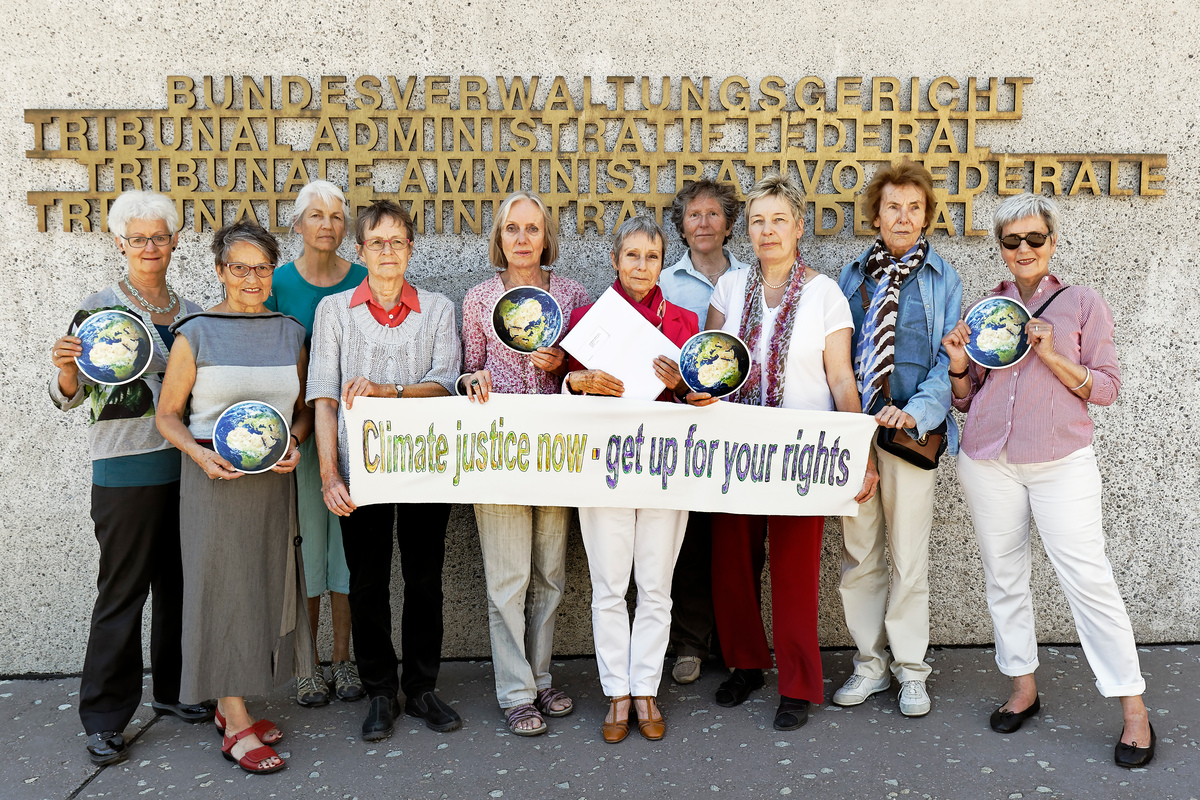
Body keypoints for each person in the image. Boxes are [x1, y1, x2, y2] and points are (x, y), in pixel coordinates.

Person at [942, 193, 1154, 768]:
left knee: (1088, 579)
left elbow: (1106, 388)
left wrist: (1054, 355)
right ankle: (1022, 687)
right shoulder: (990, 306)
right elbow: (968, 401)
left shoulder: (1083, 303)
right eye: (1012, 241)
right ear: (1002, 249)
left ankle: (1133, 709)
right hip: (989, 460)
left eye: (1035, 239)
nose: (1024, 249)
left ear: (1052, 243)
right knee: (1004, 578)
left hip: (1061, 462)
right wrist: (960, 364)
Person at [702, 175, 878, 731]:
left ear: (799, 227)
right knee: (731, 562)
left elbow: (842, 380)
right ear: (746, 229)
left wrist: (861, 454)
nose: (768, 230)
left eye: (779, 219)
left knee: (795, 569)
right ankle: (746, 664)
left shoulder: (825, 294)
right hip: (734, 447)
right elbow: (708, 365)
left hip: (804, 454)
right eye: (758, 220)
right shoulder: (729, 290)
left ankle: (798, 683)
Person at [49, 189, 207, 766]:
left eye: (158, 237)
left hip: (187, 469)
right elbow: (66, 400)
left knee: (179, 586)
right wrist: (66, 370)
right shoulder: (97, 309)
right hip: (124, 471)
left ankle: (173, 692)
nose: (149, 247)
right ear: (120, 243)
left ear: (173, 242)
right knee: (122, 592)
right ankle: (105, 716)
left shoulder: (193, 310)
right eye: (137, 238)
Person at [156, 220, 315, 775]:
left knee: (261, 587)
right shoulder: (194, 332)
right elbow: (167, 416)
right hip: (214, 482)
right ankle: (235, 717)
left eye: (262, 268)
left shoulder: (289, 331)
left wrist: (296, 441)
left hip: (272, 483)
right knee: (219, 588)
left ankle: (232, 703)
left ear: (274, 273)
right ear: (220, 271)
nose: (251, 278)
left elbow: (301, 410)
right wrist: (200, 458)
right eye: (239, 267)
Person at [308, 199, 463, 742]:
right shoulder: (334, 313)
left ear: (411, 249)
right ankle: (379, 692)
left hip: (425, 468)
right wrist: (330, 473)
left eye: (398, 241)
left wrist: (389, 391)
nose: (388, 251)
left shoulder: (439, 309)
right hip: (360, 471)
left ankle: (421, 687)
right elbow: (323, 399)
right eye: (378, 242)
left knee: (424, 582)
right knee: (368, 583)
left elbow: (446, 382)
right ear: (361, 251)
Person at [561, 216, 699, 743]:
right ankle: (616, 691)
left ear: (663, 263)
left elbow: (702, 400)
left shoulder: (685, 323)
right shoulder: (588, 317)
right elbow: (561, 385)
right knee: (609, 587)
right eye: (632, 256)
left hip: (665, 467)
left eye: (652, 257)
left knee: (656, 587)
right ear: (615, 260)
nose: (642, 266)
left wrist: (687, 388)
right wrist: (579, 379)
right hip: (605, 467)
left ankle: (647, 689)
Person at [833, 160, 963, 718]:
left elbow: (949, 355)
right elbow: (834, 356)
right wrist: (847, 426)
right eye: (893, 207)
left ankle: (912, 669)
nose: (903, 217)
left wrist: (917, 413)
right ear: (876, 215)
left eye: (914, 207)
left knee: (909, 557)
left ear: (926, 214)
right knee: (860, 555)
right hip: (857, 436)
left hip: (911, 436)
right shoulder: (852, 276)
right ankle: (870, 665)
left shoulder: (943, 277)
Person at [459, 190, 590, 736]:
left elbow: (589, 379)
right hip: (499, 454)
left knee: (550, 574)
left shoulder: (573, 294)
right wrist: (473, 380)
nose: (522, 239)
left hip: (556, 454)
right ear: (500, 236)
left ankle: (540, 678)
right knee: (507, 579)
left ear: (545, 237)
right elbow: (464, 373)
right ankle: (515, 692)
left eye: (532, 229)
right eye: (512, 228)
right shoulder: (477, 299)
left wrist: (562, 363)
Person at [266, 180, 368, 708]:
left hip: (353, 438)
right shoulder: (277, 283)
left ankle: (345, 661)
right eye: (315, 215)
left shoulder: (365, 279)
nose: (326, 224)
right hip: (297, 438)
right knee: (304, 548)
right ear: (298, 224)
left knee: (346, 552)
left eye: (335, 215)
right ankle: (308, 665)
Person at [658, 179, 749, 685]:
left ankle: (735, 643)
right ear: (682, 226)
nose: (704, 224)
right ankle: (690, 643)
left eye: (714, 214)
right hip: (681, 422)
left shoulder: (749, 278)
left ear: (730, 224)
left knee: (734, 539)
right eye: (694, 215)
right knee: (689, 539)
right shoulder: (666, 282)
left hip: (737, 422)